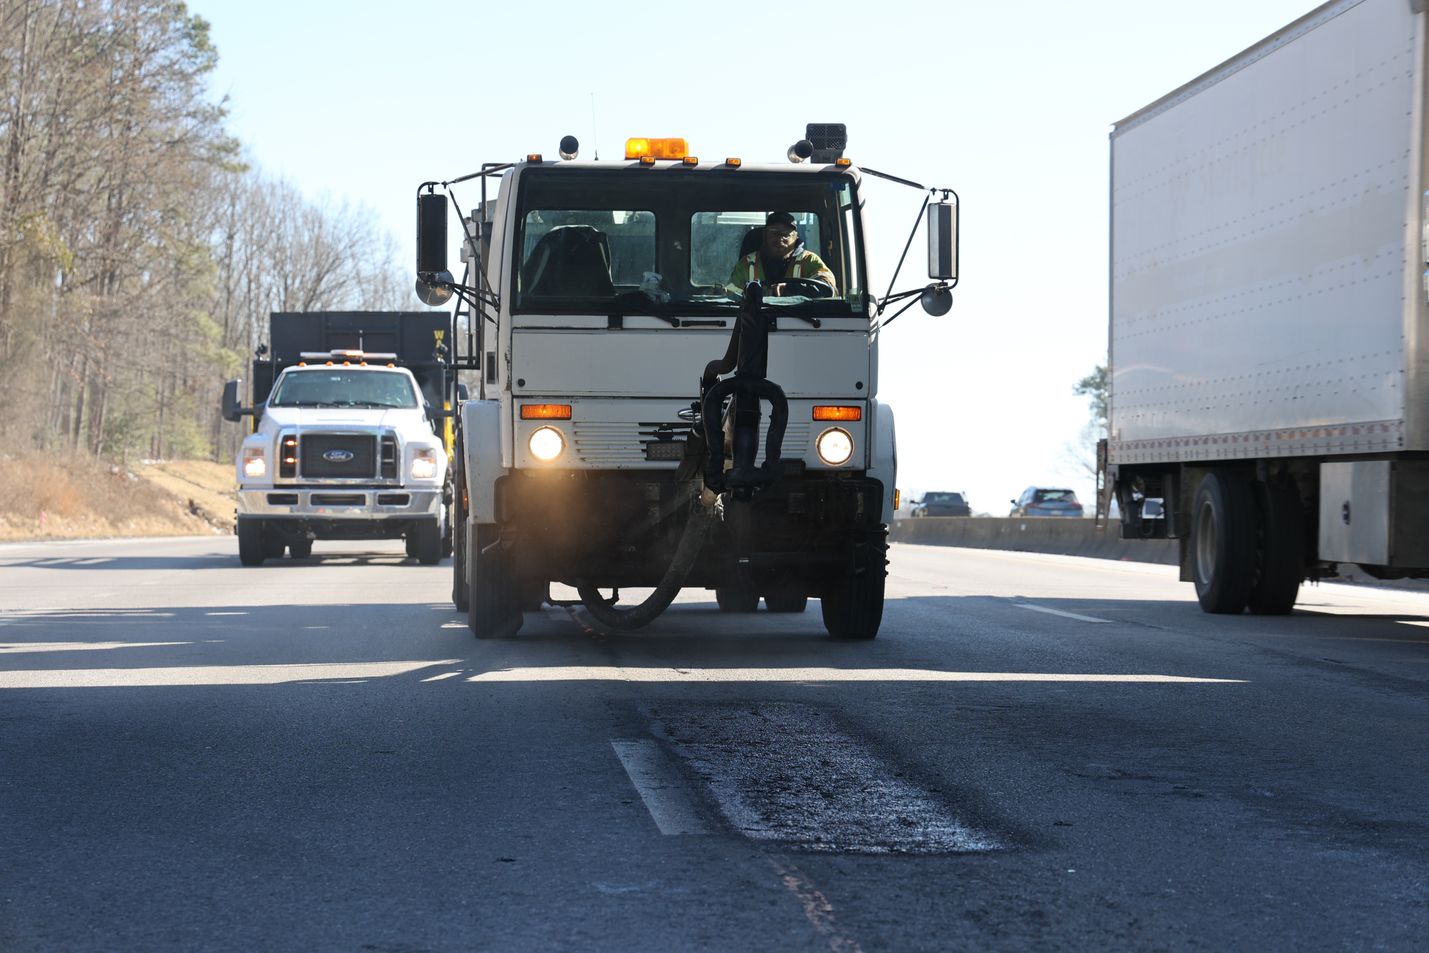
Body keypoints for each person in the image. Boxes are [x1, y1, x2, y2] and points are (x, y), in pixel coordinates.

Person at [728, 211, 836, 297]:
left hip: (801, 322)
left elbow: (827, 288)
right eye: (774, 232)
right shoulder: (747, 263)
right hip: (755, 321)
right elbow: (730, 296)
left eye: (786, 234)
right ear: (764, 234)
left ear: (795, 237)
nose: (780, 238)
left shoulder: (809, 260)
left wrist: (790, 289)